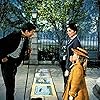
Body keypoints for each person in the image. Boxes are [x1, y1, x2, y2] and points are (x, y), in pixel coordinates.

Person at [0, 22, 36, 100]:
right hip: (7, 63)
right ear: (26, 31)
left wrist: (27, 50)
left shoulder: (26, 38)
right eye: (32, 32)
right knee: (10, 87)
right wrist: (2, 57)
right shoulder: (14, 35)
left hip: (14, 63)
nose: (32, 34)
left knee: (11, 85)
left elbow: (21, 51)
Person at [60, 23, 82, 87]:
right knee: (66, 82)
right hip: (66, 63)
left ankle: (67, 96)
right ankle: (65, 95)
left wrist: (68, 69)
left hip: (70, 66)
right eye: (67, 31)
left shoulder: (76, 42)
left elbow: (74, 57)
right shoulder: (72, 40)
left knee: (68, 83)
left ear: (75, 31)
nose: (68, 33)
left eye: (70, 31)